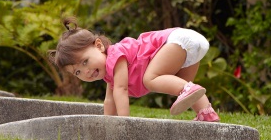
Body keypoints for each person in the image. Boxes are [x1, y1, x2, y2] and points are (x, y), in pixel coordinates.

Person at [48, 17, 220, 122]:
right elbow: (110, 101)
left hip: (178, 40)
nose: (85, 72)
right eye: (77, 72)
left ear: (99, 46)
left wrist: (124, 122)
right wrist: (109, 125)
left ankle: (187, 89)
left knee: (150, 79)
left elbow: (121, 91)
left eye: (85, 62)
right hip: (194, 43)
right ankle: (206, 113)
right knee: (182, 85)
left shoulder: (116, 56)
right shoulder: (110, 73)